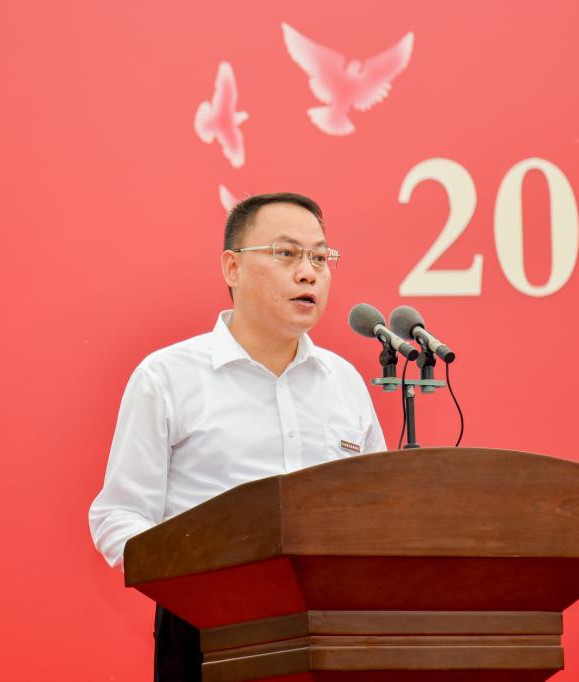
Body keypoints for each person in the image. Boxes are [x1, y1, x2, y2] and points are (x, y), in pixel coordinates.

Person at [89, 192, 386, 681]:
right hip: (208, 629)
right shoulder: (168, 377)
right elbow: (118, 516)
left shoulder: (344, 381)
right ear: (232, 267)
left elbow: (378, 512)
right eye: (286, 253)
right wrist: (194, 585)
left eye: (319, 257)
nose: (308, 273)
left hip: (334, 630)